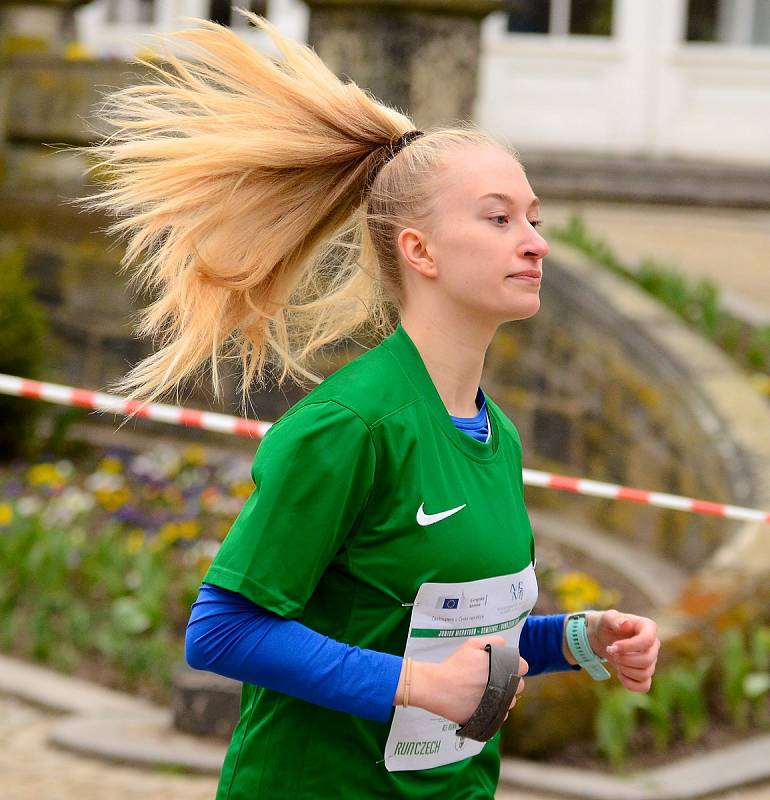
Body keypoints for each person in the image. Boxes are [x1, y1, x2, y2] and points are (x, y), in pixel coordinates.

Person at [74, 9, 660, 798]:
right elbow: (221, 631)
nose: (535, 241)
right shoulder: (352, 427)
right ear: (418, 251)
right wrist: (412, 686)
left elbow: (447, 628)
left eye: (533, 218)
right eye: (498, 218)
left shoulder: (497, 434)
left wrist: (577, 639)